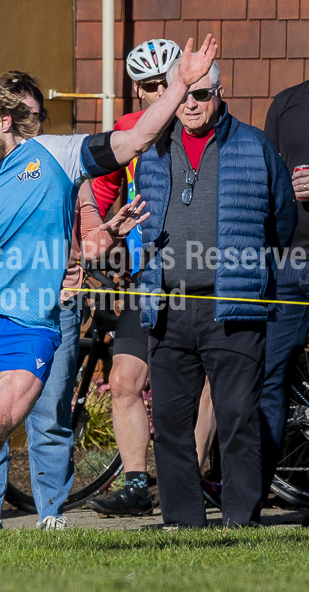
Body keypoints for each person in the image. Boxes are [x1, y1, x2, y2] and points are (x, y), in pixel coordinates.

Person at [0, 35, 218, 552]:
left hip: (30, 332)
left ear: (2, 121)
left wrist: (181, 85)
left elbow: (137, 137)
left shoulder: (58, 156)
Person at [0, 71, 147, 531]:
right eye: (21, 114)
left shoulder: (64, 168)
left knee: (49, 415)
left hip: (54, 306)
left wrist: (105, 235)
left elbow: (90, 240)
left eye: (35, 115)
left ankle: (52, 514)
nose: (29, 123)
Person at [135, 59, 295, 528]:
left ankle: (240, 520)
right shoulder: (154, 149)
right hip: (168, 306)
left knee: (239, 418)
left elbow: (280, 221)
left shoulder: (254, 145)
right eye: (183, 94)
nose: (190, 104)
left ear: (220, 94)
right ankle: (183, 522)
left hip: (233, 308)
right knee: (168, 423)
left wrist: (249, 272)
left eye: (201, 95)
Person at [87, 40, 218, 517]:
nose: (160, 93)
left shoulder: (202, 123)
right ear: (137, 91)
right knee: (124, 380)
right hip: (147, 277)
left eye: (166, 82)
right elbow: (99, 199)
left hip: (201, 274)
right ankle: (137, 484)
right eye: (149, 87)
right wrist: (102, 238)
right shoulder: (126, 133)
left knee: (208, 381)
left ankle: (192, 478)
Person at [261, 82, 309, 506]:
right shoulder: (287, 102)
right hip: (289, 262)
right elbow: (266, 176)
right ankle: (252, 500)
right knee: (270, 381)